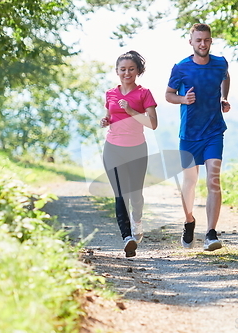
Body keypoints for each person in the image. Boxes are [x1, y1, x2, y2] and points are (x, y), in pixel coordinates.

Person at [165, 23, 231, 251]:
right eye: (198, 40)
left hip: (214, 131)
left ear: (211, 41)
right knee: (190, 183)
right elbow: (168, 95)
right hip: (189, 135)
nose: (203, 44)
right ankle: (189, 221)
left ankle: (211, 234)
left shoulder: (220, 63)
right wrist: (183, 100)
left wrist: (223, 98)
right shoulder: (181, 68)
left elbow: (226, 77)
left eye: (207, 40)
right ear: (191, 42)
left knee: (213, 180)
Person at [100, 50, 158, 257]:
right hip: (112, 148)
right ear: (117, 71)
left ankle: (138, 221)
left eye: (131, 69)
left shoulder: (144, 93)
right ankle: (127, 238)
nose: (127, 73)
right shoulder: (110, 93)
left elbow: (153, 124)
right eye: (123, 69)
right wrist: (105, 121)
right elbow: (110, 115)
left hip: (136, 149)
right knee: (120, 194)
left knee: (135, 195)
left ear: (138, 71)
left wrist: (132, 111)